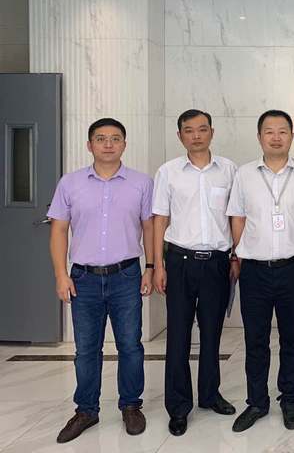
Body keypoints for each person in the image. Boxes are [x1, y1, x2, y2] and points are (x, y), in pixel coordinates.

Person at [48, 118, 154, 443]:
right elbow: (59, 230)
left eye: (115, 138)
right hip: (84, 278)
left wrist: (151, 267)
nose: (108, 144)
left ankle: (131, 406)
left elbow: (149, 227)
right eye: (101, 138)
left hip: (126, 275)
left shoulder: (141, 183)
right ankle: (86, 410)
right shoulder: (70, 183)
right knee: (86, 349)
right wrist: (61, 274)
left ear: (124, 144)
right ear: (89, 145)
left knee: (130, 345)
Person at [152, 109, 238, 436]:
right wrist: (157, 265)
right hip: (179, 262)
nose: (197, 135)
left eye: (202, 129)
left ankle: (210, 394)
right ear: (180, 136)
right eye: (189, 130)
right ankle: (178, 407)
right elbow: (159, 219)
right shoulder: (168, 172)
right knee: (178, 336)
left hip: (217, 262)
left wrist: (235, 256)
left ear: (212, 132)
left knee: (212, 333)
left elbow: (235, 218)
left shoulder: (228, 170)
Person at [226, 110, 294, 432]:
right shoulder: (245, 174)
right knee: (256, 340)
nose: (276, 137)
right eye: (269, 131)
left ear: (291, 136)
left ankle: (290, 400)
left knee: (291, 339)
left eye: (282, 131)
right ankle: (257, 402)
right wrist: (239, 255)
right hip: (255, 271)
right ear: (259, 136)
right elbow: (237, 218)